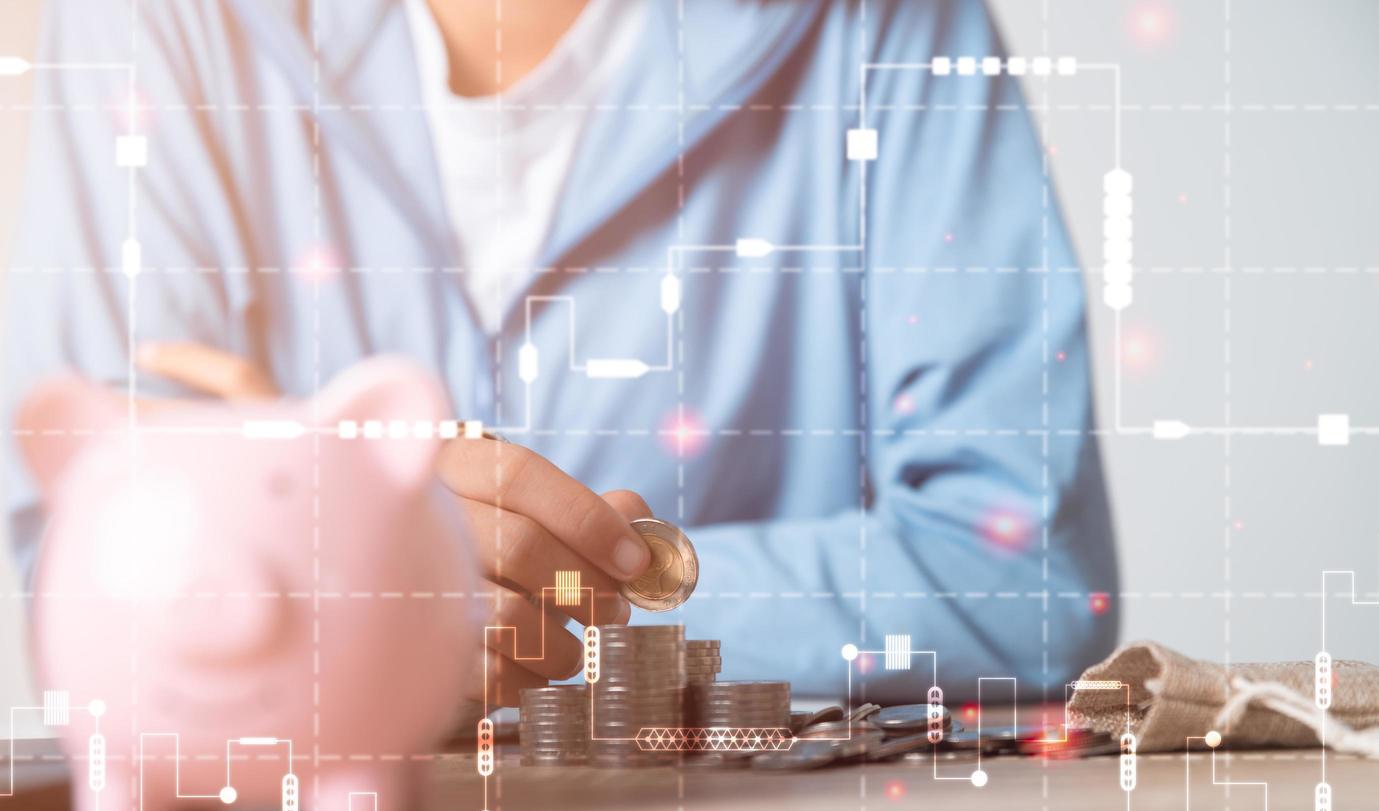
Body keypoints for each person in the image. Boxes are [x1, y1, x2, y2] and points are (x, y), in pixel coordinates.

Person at [4, 0, 1118, 702]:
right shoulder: (159, 20)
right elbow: (79, 564)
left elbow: (1021, 581)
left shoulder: (880, 22)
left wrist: (420, 581)